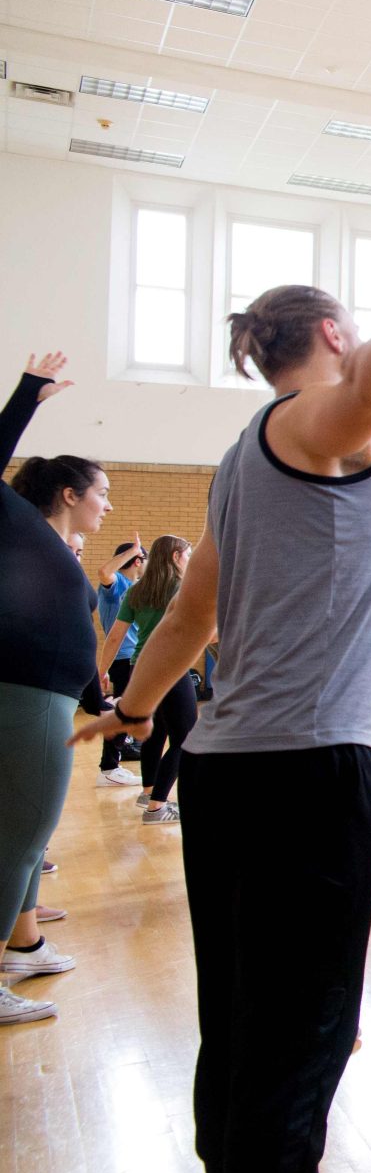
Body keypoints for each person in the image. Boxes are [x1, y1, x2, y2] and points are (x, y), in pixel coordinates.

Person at [70, 154, 371, 1173]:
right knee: (307, 1036)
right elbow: (363, 392)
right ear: (329, 334)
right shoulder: (314, 421)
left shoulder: (245, 457)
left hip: (227, 774)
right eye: (351, 333)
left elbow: (190, 617)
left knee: (241, 1019)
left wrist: (134, 712)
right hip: (306, 777)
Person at [0, 352, 94, 1026]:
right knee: (19, 835)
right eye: (103, 490)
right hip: (25, 695)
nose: (109, 502)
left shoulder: (39, 540)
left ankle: (23, 938)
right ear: (67, 493)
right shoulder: (14, 521)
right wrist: (27, 396)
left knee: (29, 832)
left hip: (46, 696)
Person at [97, 534, 197, 822]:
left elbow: (115, 635)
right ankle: (157, 806)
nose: (189, 560)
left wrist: (102, 670)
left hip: (140, 667)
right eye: (187, 555)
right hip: (170, 668)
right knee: (187, 738)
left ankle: (148, 792)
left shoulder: (137, 591)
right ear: (177, 556)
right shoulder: (183, 588)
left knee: (156, 732)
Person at [93, 537, 147, 784]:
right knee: (125, 711)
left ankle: (116, 760)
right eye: (143, 559)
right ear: (137, 561)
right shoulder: (118, 585)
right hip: (124, 659)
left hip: (130, 658)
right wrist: (134, 550)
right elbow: (104, 571)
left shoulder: (134, 588)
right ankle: (109, 767)